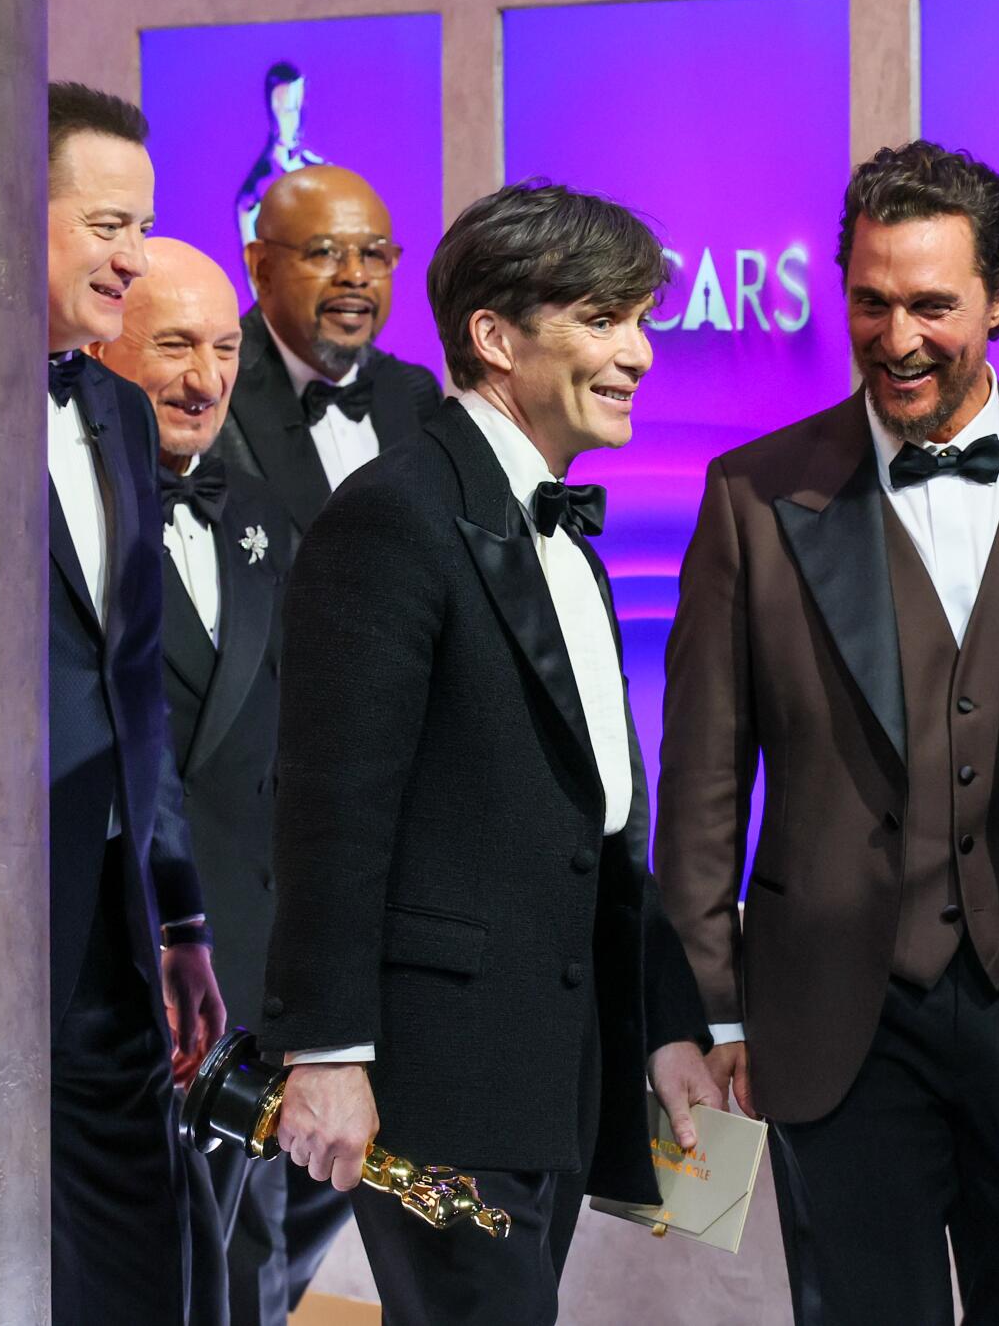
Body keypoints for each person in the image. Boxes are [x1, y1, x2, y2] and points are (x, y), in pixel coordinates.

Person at [657, 140, 999, 1326]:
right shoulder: (750, 495)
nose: (895, 335)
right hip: (833, 1015)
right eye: (869, 299)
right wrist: (709, 1006)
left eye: (930, 305)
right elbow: (701, 777)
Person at [258, 179, 719, 1326]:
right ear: (495, 337)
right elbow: (328, 807)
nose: (638, 354)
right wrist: (324, 1050)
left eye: (641, 320)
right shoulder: (394, 517)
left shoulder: (560, 528)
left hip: (551, 1073)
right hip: (437, 1082)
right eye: (603, 320)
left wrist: (661, 1018)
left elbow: (599, 822)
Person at [88, 236, 300, 1326]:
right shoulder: (59, 528)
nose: (205, 379)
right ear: (103, 346)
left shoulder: (269, 518)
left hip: (254, 973)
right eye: (173, 345)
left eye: (223, 348)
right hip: (120, 968)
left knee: (250, 1266)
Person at [45, 82, 225, 1324]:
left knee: (138, 1272)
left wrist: (177, 916)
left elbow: (135, 685)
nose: (135, 256)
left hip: (108, 933)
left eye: (143, 224)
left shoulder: (113, 408)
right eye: (109, 222)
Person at [214, 165, 441, 539]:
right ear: (262, 268)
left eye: (373, 254)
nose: (355, 276)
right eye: (324, 252)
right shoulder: (212, 390)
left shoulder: (415, 393)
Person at [234, 62, 327, 254]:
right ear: (271, 113)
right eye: (288, 110)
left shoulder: (324, 173)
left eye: (300, 107)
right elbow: (255, 273)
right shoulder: (253, 196)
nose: (297, 120)